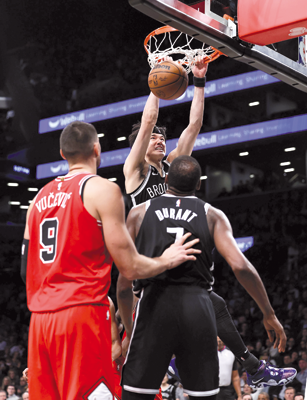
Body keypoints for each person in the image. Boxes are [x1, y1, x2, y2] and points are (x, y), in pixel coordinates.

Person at [122, 69, 296, 389]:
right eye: (154, 138)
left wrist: (199, 82)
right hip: (146, 273)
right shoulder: (135, 171)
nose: (160, 139)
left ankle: (247, 365)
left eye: (164, 136)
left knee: (213, 303)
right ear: (141, 146)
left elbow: (194, 125)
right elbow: (147, 123)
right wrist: (155, 82)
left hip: (179, 270)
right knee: (207, 307)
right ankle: (230, 364)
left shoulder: (174, 168)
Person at [21, 121, 200, 400]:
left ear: (62, 154)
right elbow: (129, 267)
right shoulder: (102, 189)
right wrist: (166, 260)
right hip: (80, 314)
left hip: (40, 321)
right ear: (97, 149)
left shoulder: (36, 201)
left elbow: (25, 271)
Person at [118, 156, 294, 400]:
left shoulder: (138, 213)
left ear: (166, 179)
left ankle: (250, 365)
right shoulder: (212, 214)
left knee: (137, 395)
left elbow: (124, 284)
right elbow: (241, 267)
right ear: (198, 185)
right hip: (198, 307)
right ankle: (252, 366)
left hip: (153, 305)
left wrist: (130, 327)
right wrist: (268, 313)